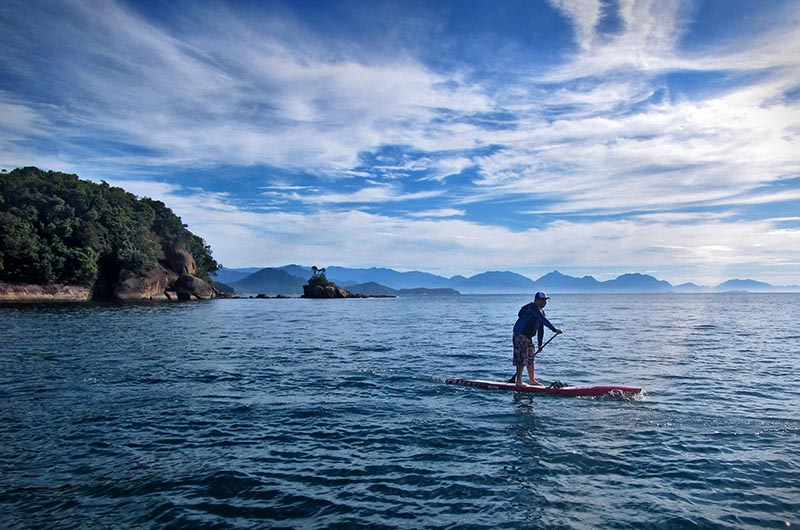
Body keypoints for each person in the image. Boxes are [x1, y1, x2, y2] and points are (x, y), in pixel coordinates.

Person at [512, 291, 563, 386]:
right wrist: (554, 329)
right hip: (519, 335)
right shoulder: (532, 308)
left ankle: (532, 380)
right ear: (536, 300)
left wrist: (540, 344)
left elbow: (541, 328)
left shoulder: (542, 312)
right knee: (521, 357)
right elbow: (543, 320)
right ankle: (518, 381)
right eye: (543, 300)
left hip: (529, 337)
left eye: (546, 300)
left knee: (531, 357)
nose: (545, 302)